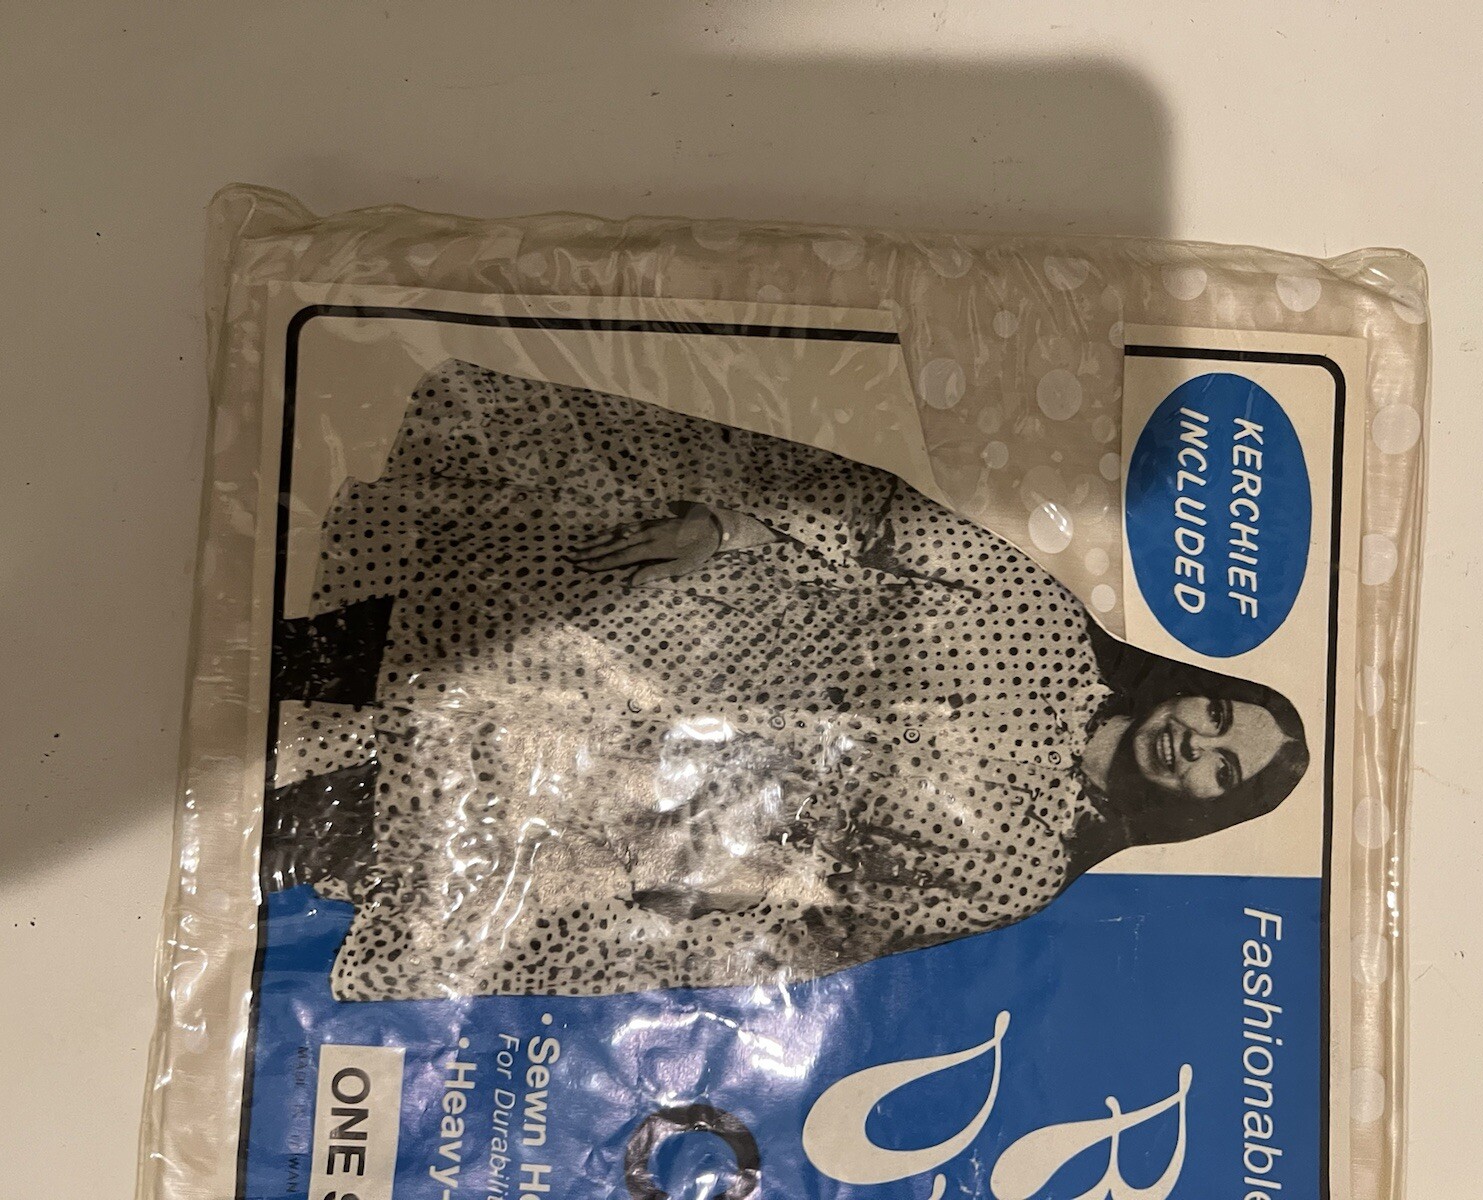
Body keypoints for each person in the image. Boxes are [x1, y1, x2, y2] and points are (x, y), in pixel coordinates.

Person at [267, 361, 1308, 1000]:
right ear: (1191, 688)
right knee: (294, 663)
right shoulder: (1041, 619)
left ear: (1199, 806)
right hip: (640, 632)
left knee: (313, 827)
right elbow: (879, 522)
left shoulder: (1028, 868)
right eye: (1218, 714)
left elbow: (821, 934)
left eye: (1221, 769)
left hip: (633, 808)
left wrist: (658, 912)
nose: (1198, 742)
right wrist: (728, 529)